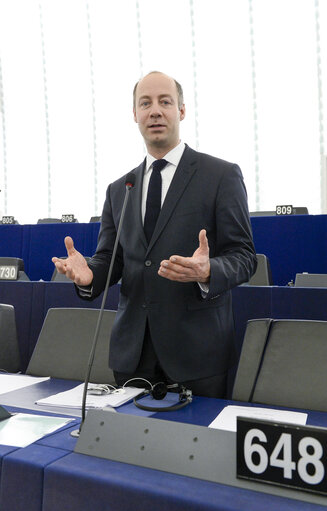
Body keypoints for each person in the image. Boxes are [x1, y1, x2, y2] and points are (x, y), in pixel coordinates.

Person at [52, 71, 257, 398]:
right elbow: (112, 259)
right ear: (135, 114)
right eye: (145, 103)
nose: (155, 111)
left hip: (196, 356)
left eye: (165, 102)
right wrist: (90, 274)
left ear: (182, 111)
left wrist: (208, 271)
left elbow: (244, 258)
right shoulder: (120, 188)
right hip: (132, 356)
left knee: (195, 447)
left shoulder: (220, 175)